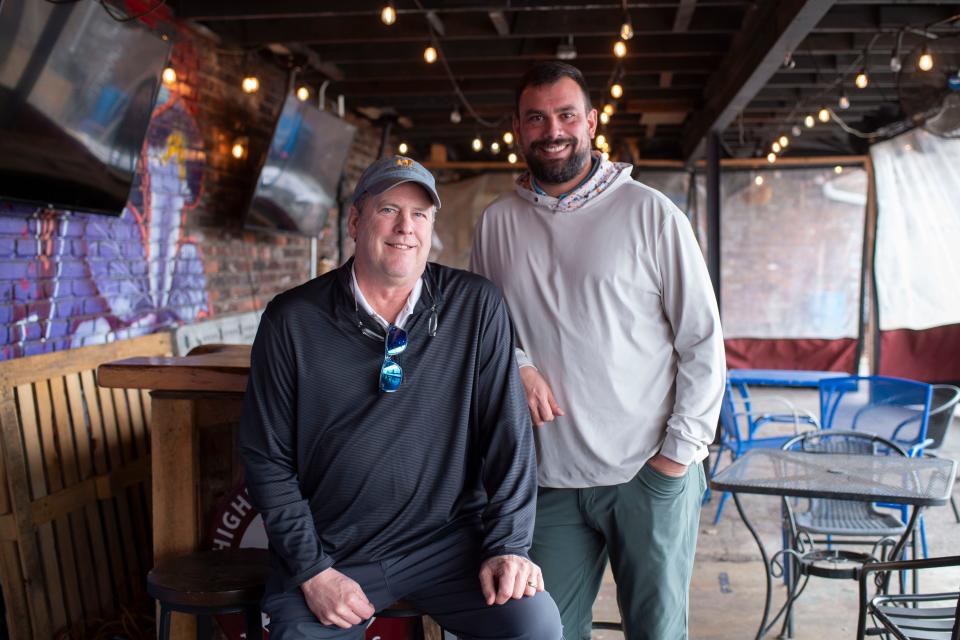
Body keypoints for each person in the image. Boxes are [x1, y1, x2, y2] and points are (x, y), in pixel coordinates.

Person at [238, 155, 562, 640]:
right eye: (389, 209)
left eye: (420, 214)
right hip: (334, 550)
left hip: (450, 545)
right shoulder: (292, 320)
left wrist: (509, 545)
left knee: (533, 626)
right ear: (355, 220)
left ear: (432, 226)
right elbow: (267, 460)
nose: (405, 227)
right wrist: (313, 571)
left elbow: (508, 438)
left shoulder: (476, 306)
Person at [470, 62, 725, 640]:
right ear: (517, 128)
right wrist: (521, 364)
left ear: (590, 122)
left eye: (565, 115)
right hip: (548, 480)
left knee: (657, 634)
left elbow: (703, 342)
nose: (551, 130)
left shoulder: (650, 213)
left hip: (647, 473)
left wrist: (676, 459)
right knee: (544, 631)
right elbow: (486, 332)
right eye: (536, 118)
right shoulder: (496, 224)